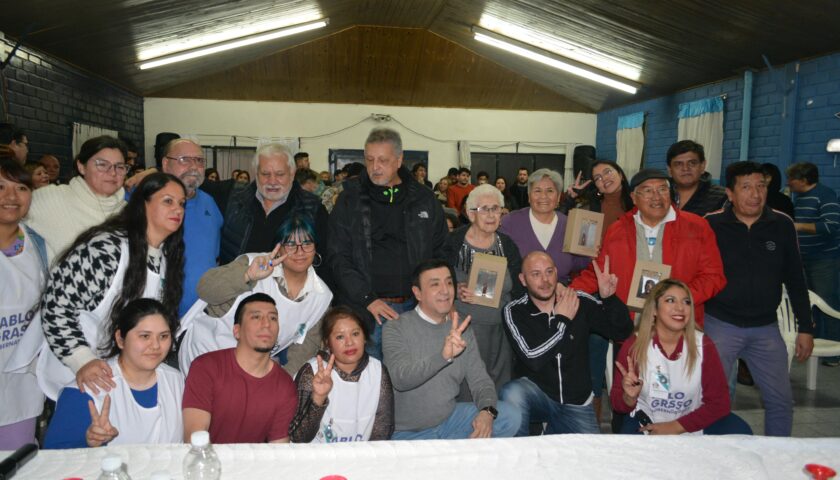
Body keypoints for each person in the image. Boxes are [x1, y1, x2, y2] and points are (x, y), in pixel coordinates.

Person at [8, 173, 185, 401]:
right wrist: (82, 360)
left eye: (182, 203)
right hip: (77, 371)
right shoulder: (105, 249)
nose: (178, 210)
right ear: (143, 204)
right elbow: (56, 306)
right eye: (168, 201)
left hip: (118, 373)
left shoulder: (166, 257)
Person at [704, 161, 814, 436]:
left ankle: (777, 455)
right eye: (746, 187)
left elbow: (795, 278)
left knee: (781, 402)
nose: (755, 194)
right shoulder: (711, 224)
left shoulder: (782, 224)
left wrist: (806, 327)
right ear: (730, 193)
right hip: (720, 324)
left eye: (760, 186)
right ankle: (714, 454)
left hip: (766, 327)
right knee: (712, 400)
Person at [328, 128, 447, 360]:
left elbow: (440, 251)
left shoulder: (423, 199)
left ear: (399, 160)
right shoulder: (349, 199)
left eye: (383, 160)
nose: (375, 167)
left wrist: (433, 297)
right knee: (369, 377)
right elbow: (338, 256)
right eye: (369, 159)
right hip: (366, 310)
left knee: (414, 374)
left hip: (415, 308)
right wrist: (367, 299)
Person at [570, 169, 726, 329]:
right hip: (629, 326)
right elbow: (599, 272)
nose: (656, 196)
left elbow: (713, 276)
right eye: (647, 191)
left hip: (679, 325)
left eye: (662, 189)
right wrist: (569, 292)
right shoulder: (618, 229)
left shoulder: (697, 226)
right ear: (634, 198)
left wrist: (678, 298)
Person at [179, 214, 332, 376]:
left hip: (250, 372)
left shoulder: (322, 298)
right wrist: (247, 276)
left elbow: (302, 350)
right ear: (278, 248)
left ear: (315, 249)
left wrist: (278, 381)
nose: (299, 251)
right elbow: (205, 289)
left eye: (307, 243)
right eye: (290, 244)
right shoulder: (254, 264)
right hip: (204, 354)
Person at [383, 259, 520, 440]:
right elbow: (401, 379)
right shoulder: (396, 327)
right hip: (409, 432)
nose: (445, 290)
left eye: (449, 283)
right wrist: (443, 356)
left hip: (449, 422)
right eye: (435, 284)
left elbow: (480, 381)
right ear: (418, 293)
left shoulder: (461, 329)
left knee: (510, 416)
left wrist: (487, 411)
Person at [500, 252, 632, 435]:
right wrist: (562, 321)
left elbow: (621, 332)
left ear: (556, 272)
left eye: (549, 272)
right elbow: (533, 358)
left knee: (591, 453)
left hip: (577, 403)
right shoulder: (514, 311)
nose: (545, 280)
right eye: (536, 274)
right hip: (537, 395)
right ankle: (521, 448)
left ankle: (552, 432)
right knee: (512, 393)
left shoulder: (577, 300)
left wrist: (610, 299)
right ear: (523, 279)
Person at [611, 279, 752, 435]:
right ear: (654, 310)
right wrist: (629, 397)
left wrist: (674, 427)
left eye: (686, 302)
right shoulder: (635, 345)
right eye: (670, 300)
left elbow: (720, 403)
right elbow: (618, 405)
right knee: (627, 445)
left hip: (693, 421)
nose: (680, 308)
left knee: (742, 432)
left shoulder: (703, 345)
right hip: (647, 423)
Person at [43, 299, 184, 448]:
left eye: (163, 336)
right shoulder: (86, 390)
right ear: (120, 339)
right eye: (145, 336)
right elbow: (53, 455)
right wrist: (89, 443)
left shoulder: (177, 381)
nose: (155, 345)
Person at [562, 160, 635, 421]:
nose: (604, 179)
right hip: (593, 282)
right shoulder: (589, 208)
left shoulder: (638, 206)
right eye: (598, 177)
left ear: (621, 174)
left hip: (629, 287)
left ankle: (625, 408)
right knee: (593, 347)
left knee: (627, 350)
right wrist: (569, 199)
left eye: (608, 172)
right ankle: (593, 409)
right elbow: (565, 229)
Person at [204, 143, 329, 282]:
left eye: (280, 174)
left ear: (292, 174)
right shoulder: (233, 199)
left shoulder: (312, 208)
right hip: (237, 288)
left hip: (288, 292)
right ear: (256, 173)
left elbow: (325, 261)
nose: (272, 181)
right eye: (265, 174)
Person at [182, 293, 297, 443]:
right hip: (208, 457)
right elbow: (195, 439)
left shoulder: (285, 385)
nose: (266, 324)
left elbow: (278, 447)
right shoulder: (206, 368)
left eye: (273, 318)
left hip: (253, 459)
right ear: (236, 331)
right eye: (256, 317)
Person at [444, 184, 524, 390]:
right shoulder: (453, 242)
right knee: (466, 386)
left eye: (495, 209)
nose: (491, 215)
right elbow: (435, 279)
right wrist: (454, 289)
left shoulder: (507, 245)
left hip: (501, 331)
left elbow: (519, 287)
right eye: (484, 209)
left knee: (499, 386)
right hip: (463, 330)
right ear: (471, 214)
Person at [290, 307, 394, 442]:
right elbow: (298, 438)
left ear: (364, 337)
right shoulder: (312, 371)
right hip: (319, 454)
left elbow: (383, 430)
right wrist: (318, 399)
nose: (349, 342)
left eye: (355, 334)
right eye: (340, 337)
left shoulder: (378, 370)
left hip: (362, 453)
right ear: (327, 342)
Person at [0, 160, 48, 450]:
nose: (11, 196)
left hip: (21, 381)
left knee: (18, 461)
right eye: (1, 187)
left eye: (21, 188)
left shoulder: (38, 245)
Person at [25, 136, 128, 262]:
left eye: (120, 167)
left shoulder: (132, 212)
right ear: (81, 166)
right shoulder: (48, 198)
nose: (113, 173)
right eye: (102, 164)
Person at [159, 139, 223, 316]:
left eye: (199, 160)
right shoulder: (145, 200)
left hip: (203, 317)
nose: (194, 167)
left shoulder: (210, 203)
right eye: (184, 159)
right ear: (165, 164)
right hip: (160, 316)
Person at [786, 161, 840, 363]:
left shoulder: (825, 195)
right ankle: (813, 347)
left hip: (823, 259)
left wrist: (798, 226)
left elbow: (831, 225)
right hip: (804, 258)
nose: (788, 183)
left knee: (827, 303)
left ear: (803, 180)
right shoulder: (799, 197)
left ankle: (834, 353)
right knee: (809, 303)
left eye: (791, 179)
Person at [500, 169, 590, 284]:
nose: (543, 196)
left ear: (558, 197)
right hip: (519, 291)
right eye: (537, 191)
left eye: (550, 191)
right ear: (529, 196)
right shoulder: (510, 222)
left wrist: (589, 252)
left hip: (560, 290)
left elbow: (578, 264)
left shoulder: (570, 225)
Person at [666, 140, 726, 216]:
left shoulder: (722, 197)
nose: (685, 168)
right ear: (669, 170)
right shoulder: (658, 196)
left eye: (692, 163)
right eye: (678, 164)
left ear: (702, 166)